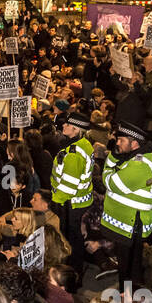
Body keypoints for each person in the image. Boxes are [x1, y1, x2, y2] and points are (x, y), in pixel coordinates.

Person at [99, 120, 152, 287]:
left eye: (122, 140)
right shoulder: (133, 157)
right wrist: (115, 154)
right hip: (128, 225)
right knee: (128, 267)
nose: (117, 143)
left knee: (128, 270)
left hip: (132, 225)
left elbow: (111, 183)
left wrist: (108, 171)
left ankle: (128, 302)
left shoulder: (140, 164)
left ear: (134, 143)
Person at [50, 112, 96, 275]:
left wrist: (55, 201)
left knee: (71, 242)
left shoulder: (74, 154)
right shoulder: (84, 144)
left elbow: (68, 187)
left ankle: (71, 275)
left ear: (76, 130)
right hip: (81, 202)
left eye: (68, 125)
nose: (63, 125)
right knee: (76, 240)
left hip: (71, 205)